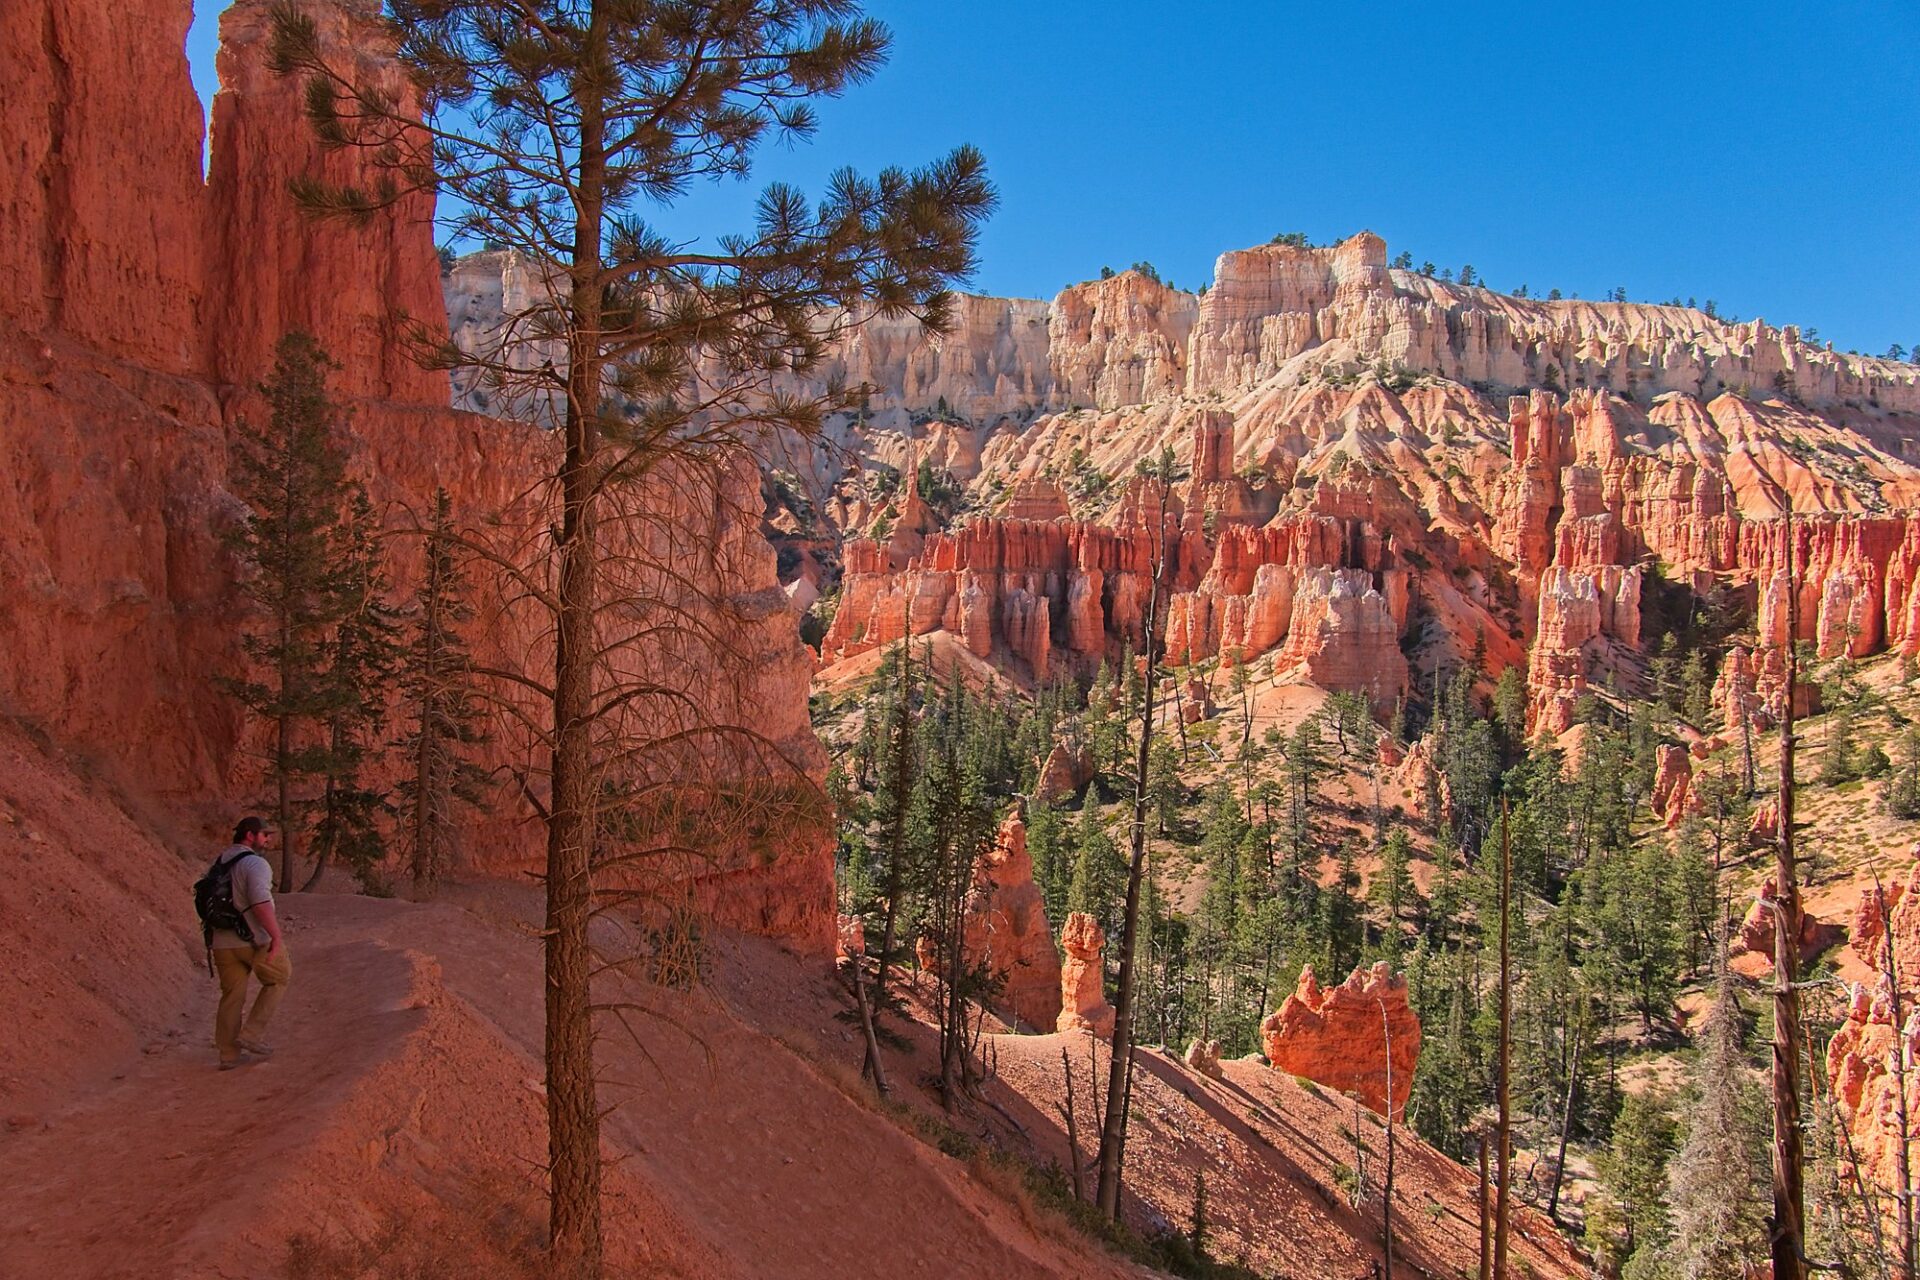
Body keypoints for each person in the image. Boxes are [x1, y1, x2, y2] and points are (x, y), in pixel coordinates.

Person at [209, 817, 291, 1070]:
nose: (267, 839)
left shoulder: (219, 863)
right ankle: (251, 1035)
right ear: (249, 835)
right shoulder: (255, 863)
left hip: (221, 941)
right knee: (279, 978)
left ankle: (228, 1054)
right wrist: (276, 935)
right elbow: (260, 902)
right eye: (264, 834)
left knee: (232, 995)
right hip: (253, 939)